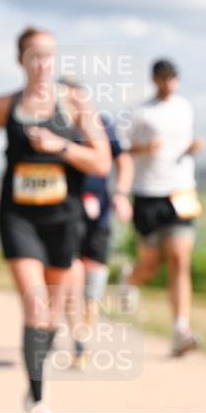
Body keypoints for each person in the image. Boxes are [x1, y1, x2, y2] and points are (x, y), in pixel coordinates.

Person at [0, 27, 111, 413]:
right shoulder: (1, 106)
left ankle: (35, 374)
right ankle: (39, 402)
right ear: (21, 60)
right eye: (34, 55)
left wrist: (60, 147)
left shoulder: (75, 103)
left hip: (62, 219)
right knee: (36, 309)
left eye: (49, 55)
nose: (42, 63)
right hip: (18, 217)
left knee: (51, 316)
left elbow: (102, 162)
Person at [118, 59, 205, 357]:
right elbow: (121, 147)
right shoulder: (140, 111)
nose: (169, 84)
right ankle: (130, 279)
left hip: (180, 191)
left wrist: (193, 147)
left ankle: (181, 329)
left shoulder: (185, 108)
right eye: (164, 78)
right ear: (154, 80)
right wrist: (144, 148)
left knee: (180, 259)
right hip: (148, 194)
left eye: (173, 78)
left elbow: (184, 142)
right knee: (151, 265)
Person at [67, 109, 133, 370]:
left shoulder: (102, 124)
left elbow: (124, 161)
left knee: (94, 277)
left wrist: (121, 195)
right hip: (66, 212)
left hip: (100, 214)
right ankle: (77, 339)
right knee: (71, 275)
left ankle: (84, 337)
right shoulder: (55, 123)